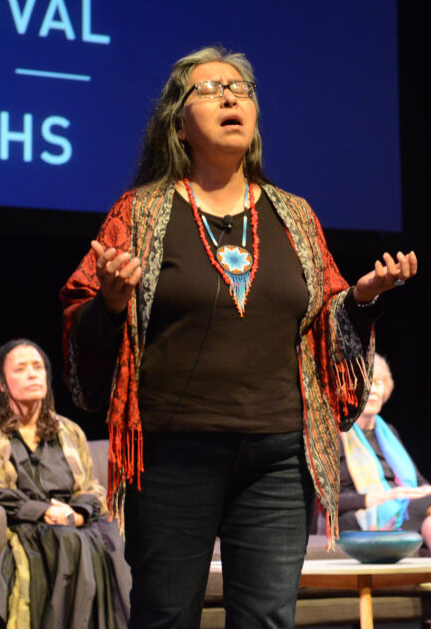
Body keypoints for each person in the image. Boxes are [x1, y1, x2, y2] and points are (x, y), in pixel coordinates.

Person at [60, 46, 418, 629]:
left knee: (268, 619)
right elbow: (84, 329)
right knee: (165, 617)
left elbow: (327, 325)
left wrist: (362, 297)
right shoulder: (141, 213)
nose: (231, 97)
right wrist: (112, 300)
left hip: (278, 457)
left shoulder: (294, 215)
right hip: (173, 454)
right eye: (210, 89)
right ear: (179, 122)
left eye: (242, 88)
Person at [0, 339, 130, 629]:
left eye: (38, 368)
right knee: (68, 540)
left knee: (113, 537)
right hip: (23, 527)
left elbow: (92, 489)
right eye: (20, 369)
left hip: (74, 524)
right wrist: (42, 511)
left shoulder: (68, 431)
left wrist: (79, 513)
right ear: (1, 384)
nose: (33, 374)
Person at [339, 353, 431, 546]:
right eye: (366, 384)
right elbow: (330, 500)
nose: (373, 391)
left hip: (406, 505)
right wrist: (380, 497)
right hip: (362, 513)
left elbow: (419, 482)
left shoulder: (389, 432)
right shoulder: (336, 435)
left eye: (378, 383)